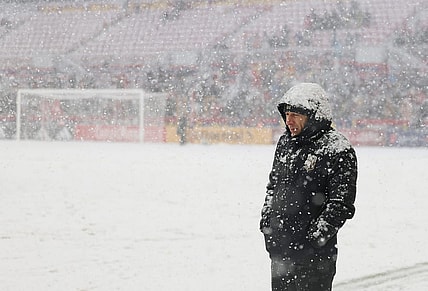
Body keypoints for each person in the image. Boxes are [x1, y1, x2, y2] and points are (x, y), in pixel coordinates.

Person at [260, 83, 357, 291]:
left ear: (314, 115)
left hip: (315, 259)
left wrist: (314, 239)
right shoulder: (285, 142)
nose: (289, 120)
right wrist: (268, 226)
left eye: (296, 114)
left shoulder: (338, 149)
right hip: (281, 253)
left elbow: (341, 204)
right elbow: (273, 187)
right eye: (287, 114)